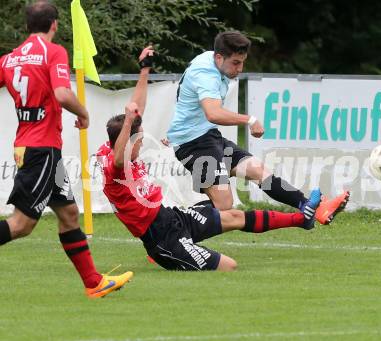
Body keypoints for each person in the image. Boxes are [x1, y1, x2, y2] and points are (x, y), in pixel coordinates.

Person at [97, 47, 324, 271]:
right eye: (137, 140)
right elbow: (119, 158)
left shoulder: (115, 144)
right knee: (229, 266)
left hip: (172, 217)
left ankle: (301, 219)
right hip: (161, 238)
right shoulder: (114, 166)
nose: (141, 142)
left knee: (233, 215)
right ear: (125, 142)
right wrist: (128, 123)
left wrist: (144, 70)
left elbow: (137, 110)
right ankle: (174, 255)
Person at [0, 1, 132, 298]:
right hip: (41, 149)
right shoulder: (53, 52)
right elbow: (61, 93)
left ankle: (94, 283)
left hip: (31, 145)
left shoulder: (8, 60)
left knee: (69, 213)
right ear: (55, 25)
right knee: (21, 225)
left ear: (27, 26)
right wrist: (83, 113)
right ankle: (94, 282)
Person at [166, 31, 349, 225]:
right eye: (236, 63)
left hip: (207, 136)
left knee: (257, 169)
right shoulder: (206, 75)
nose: (240, 68)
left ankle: (313, 208)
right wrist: (250, 120)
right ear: (219, 57)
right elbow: (213, 113)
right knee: (224, 205)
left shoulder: (213, 60)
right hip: (193, 144)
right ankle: (170, 230)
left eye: (242, 62)